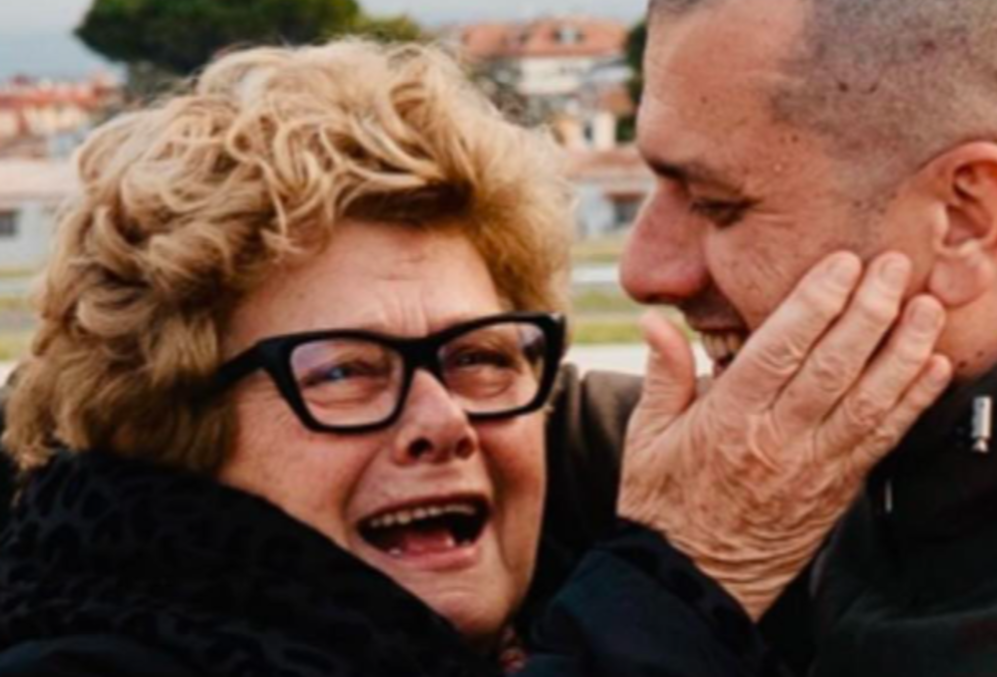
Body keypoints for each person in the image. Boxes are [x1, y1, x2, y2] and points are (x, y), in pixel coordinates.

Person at [0, 39, 947, 676]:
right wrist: (683, 584)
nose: (443, 422)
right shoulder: (80, 651)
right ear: (171, 427)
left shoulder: (562, 577)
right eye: (345, 371)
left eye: (481, 356)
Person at [540, 0, 997, 675]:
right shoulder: (828, 433)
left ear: (965, 220)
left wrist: (679, 583)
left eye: (717, 205)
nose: (644, 270)